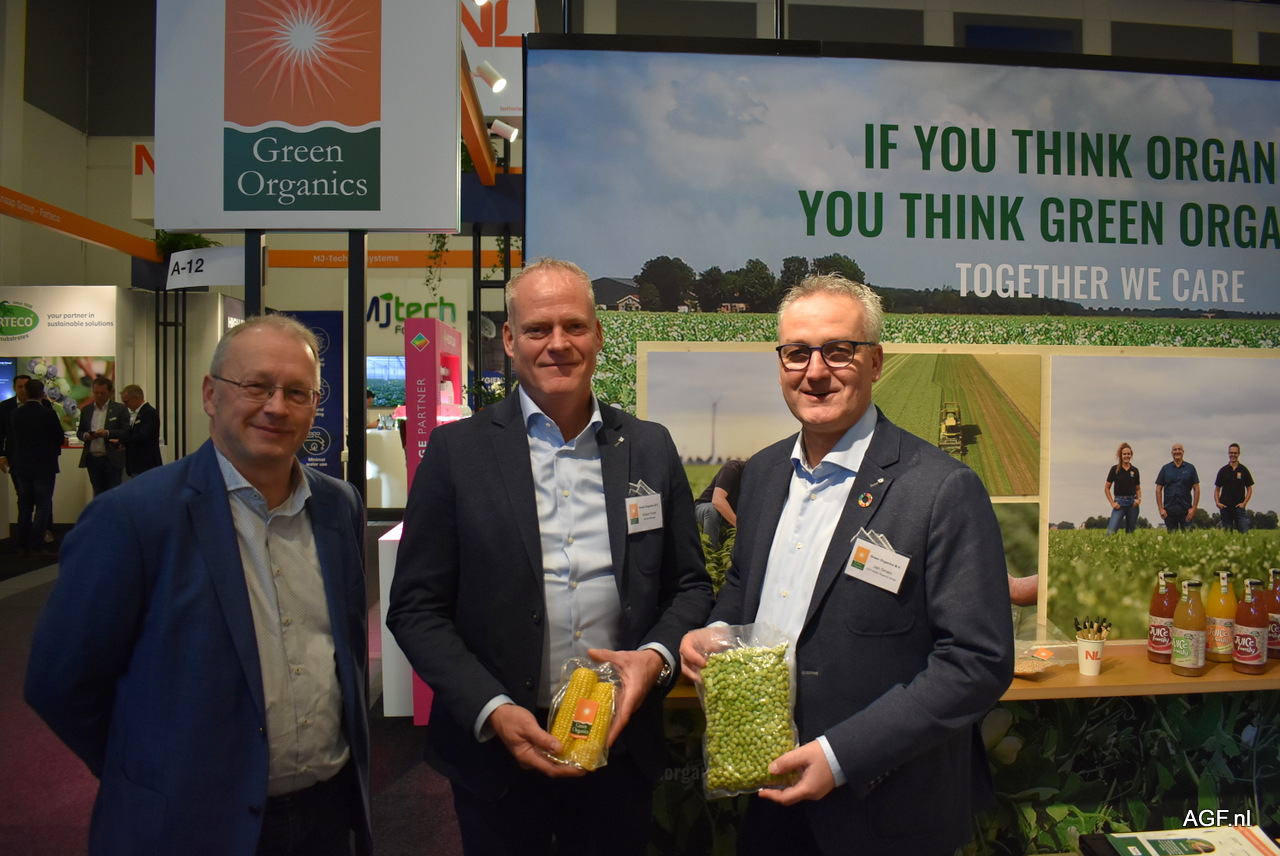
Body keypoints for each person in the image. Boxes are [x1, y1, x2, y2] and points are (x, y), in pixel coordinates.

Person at [387, 257, 714, 856]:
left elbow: (689, 586)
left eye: (574, 326)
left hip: (619, 744)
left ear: (598, 335)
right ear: (511, 340)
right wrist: (491, 709)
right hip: (497, 754)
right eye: (538, 329)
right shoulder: (458, 454)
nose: (557, 344)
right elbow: (415, 609)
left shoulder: (649, 447)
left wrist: (654, 659)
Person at [678, 274, 1013, 856]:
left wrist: (840, 757)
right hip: (768, 793)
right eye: (797, 353)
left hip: (885, 810)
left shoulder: (940, 489)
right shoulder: (763, 474)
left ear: (875, 362)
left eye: (838, 350)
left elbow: (977, 662)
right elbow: (741, 585)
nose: (815, 371)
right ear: (781, 363)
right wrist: (717, 629)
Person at [26, 315, 372, 856]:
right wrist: (149, 774)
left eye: (297, 392)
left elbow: (343, 652)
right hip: (191, 824)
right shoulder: (133, 518)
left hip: (326, 814)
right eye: (256, 386)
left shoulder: (338, 505)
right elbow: (60, 682)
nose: (276, 407)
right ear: (211, 394)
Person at [9, 378, 62, 557]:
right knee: (43, 505)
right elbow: (58, 437)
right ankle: (36, 545)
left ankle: (22, 544)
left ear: (26, 392)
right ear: (42, 393)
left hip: (22, 465)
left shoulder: (16, 414)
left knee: (25, 506)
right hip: (44, 465)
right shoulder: (48, 414)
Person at [76, 375, 128, 495]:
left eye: (102, 393)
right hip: (93, 459)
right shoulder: (87, 410)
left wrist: (107, 433)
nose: (99, 395)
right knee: (97, 491)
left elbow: (125, 431)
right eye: (96, 392)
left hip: (112, 458)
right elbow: (80, 432)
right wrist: (86, 436)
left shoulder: (120, 409)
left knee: (113, 492)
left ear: (111, 392)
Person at [694, 458, 745, 550]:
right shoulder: (732, 468)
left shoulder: (757, 482)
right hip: (703, 509)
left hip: (724, 517)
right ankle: (710, 551)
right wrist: (740, 527)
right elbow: (717, 501)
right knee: (713, 510)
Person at [118, 384, 163, 477]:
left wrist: (123, 441)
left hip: (146, 464)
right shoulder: (138, 413)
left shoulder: (149, 413)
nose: (125, 405)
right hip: (137, 465)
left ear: (135, 398)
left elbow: (143, 435)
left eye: (126, 402)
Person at [1154, 443, 1199, 531]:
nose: (1177, 451)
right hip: (1169, 511)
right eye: (1175, 450)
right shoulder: (1165, 469)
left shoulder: (1190, 468)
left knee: (1188, 536)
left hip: (1186, 511)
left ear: (1183, 452)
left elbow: (1196, 489)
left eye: (1179, 449)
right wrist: (1161, 509)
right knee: (1172, 537)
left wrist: (1194, 508)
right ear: (1172, 453)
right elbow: (1158, 489)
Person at [1214, 442, 1254, 533]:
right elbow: (1217, 489)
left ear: (1239, 454)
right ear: (1228, 453)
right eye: (1231, 453)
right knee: (1227, 534)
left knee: (1244, 533)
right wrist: (1218, 503)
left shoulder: (1243, 470)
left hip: (1239, 508)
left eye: (1235, 453)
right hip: (1225, 507)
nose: (1233, 455)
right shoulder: (1223, 470)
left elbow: (1249, 488)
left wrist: (1244, 503)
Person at [1104, 442, 1141, 535]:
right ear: (1120, 455)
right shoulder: (1115, 469)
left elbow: (1138, 488)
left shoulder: (1135, 470)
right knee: (1111, 533)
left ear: (1131, 455)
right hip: (1119, 503)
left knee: (1130, 533)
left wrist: (1139, 499)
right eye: (1124, 454)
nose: (1126, 456)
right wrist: (1112, 503)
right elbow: (1107, 488)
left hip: (1132, 504)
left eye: (1128, 454)